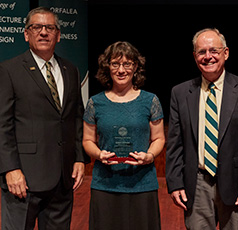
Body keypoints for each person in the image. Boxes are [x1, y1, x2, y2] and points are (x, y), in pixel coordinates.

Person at [165, 28, 238, 229]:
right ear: (194, 56)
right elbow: (175, 143)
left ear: (225, 53)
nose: (207, 56)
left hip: (237, 186)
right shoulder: (180, 93)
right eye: (201, 52)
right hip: (197, 183)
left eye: (213, 51)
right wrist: (175, 183)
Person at [0, 6, 88, 230]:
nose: (43, 32)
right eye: (36, 27)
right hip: (23, 180)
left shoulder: (71, 70)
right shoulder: (8, 70)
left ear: (58, 35)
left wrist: (79, 158)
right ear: (26, 34)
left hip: (62, 179)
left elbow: (76, 118)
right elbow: (3, 125)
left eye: (49, 27)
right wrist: (10, 169)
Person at [82, 41, 165, 230]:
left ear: (135, 67)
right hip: (105, 184)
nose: (121, 70)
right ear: (107, 67)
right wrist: (98, 154)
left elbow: (159, 138)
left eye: (127, 64)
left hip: (142, 183)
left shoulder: (150, 100)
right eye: (115, 64)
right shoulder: (95, 102)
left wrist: (149, 156)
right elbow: (87, 140)